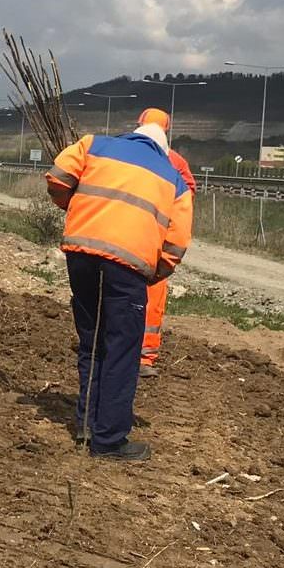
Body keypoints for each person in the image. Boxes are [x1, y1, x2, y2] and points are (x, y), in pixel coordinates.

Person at [45, 116, 191, 462]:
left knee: (91, 339)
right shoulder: (173, 178)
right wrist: (152, 273)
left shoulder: (94, 144)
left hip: (80, 252)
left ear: (134, 132)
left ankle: (86, 424)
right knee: (122, 349)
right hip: (128, 265)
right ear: (163, 146)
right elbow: (177, 241)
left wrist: (75, 207)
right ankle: (109, 440)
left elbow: (58, 175)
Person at [134, 108, 197, 377]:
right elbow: (187, 195)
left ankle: (110, 349)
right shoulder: (176, 161)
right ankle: (145, 357)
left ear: (139, 124)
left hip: (126, 232)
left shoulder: (126, 151)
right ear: (166, 130)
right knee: (153, 297)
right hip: (156, 240)